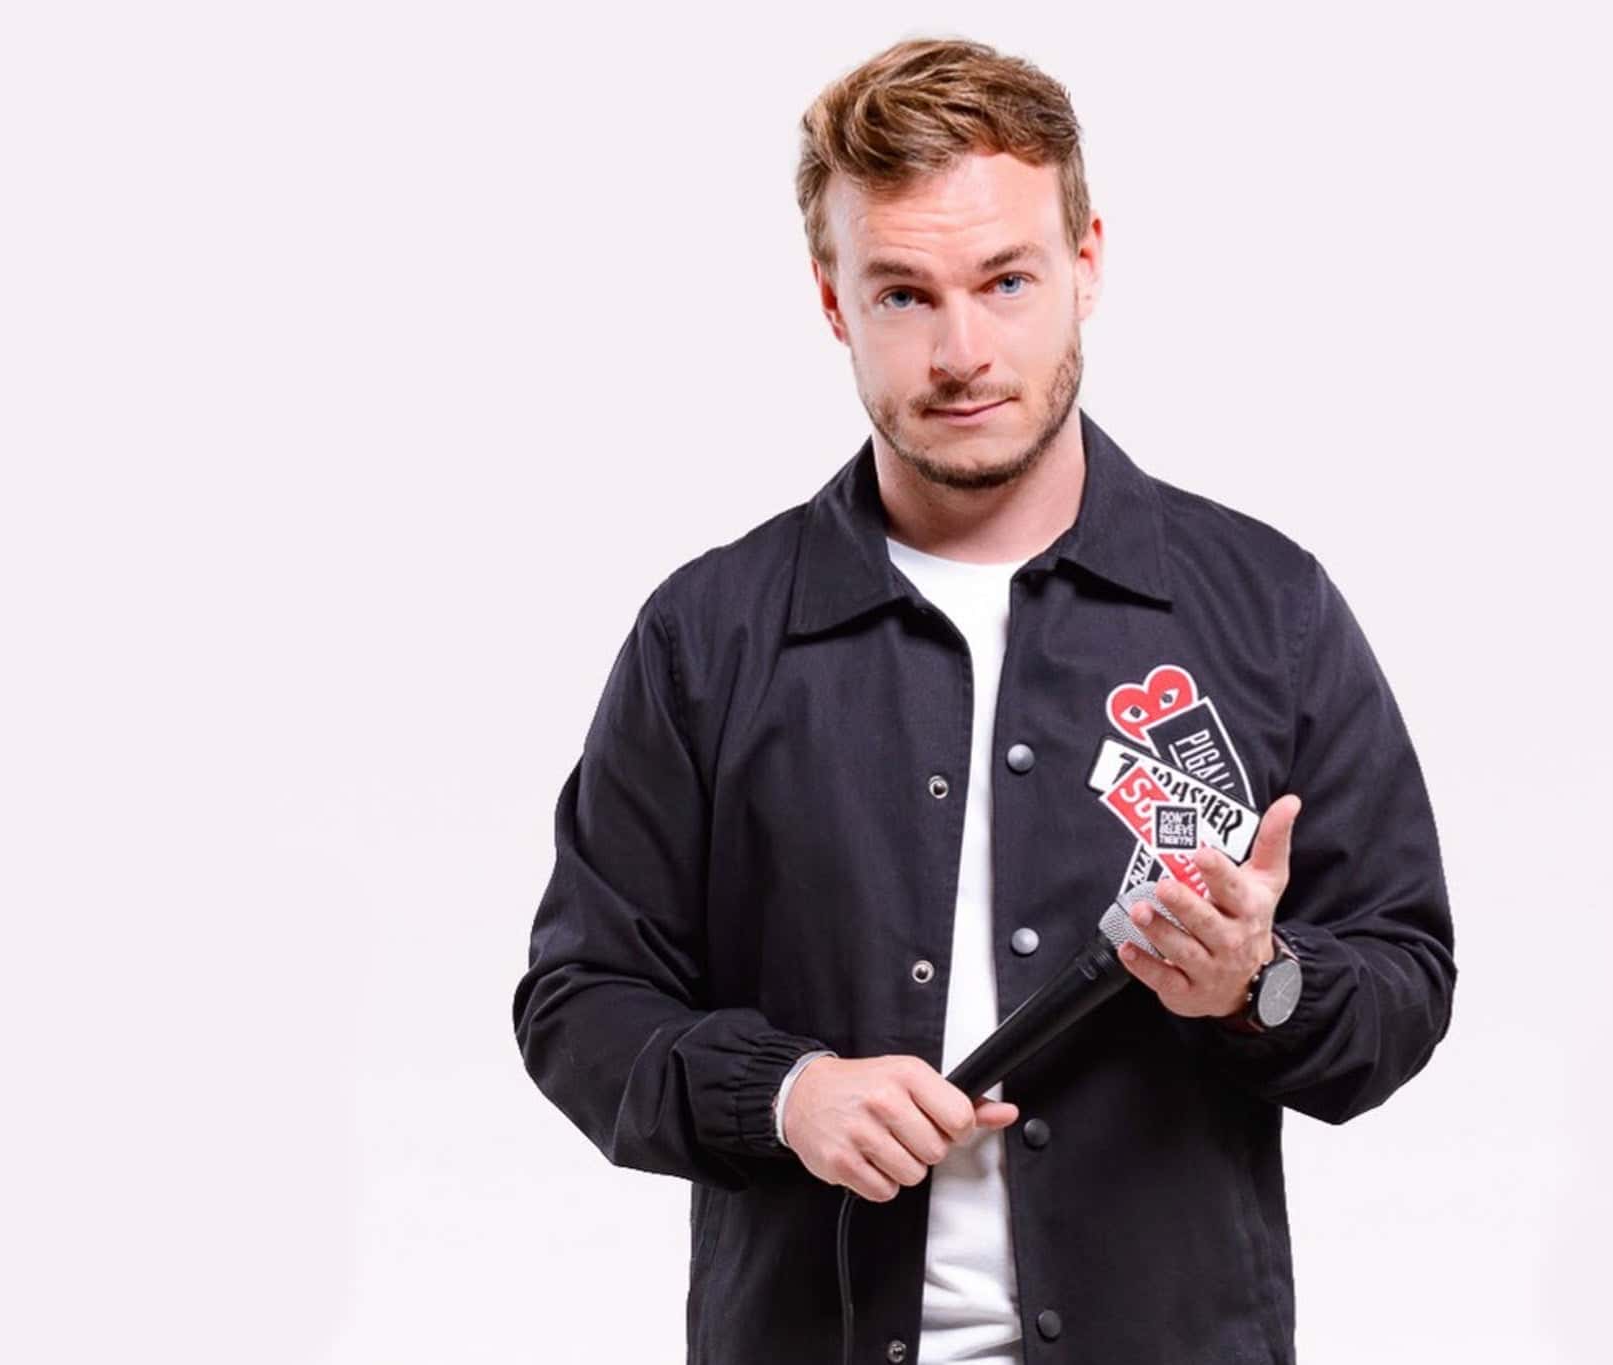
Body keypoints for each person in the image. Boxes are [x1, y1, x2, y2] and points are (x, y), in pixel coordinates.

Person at [512, 35, 1456, 1365]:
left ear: (1086, 265)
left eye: (1006, 281)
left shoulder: (1266, 608)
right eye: (904, 294)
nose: (962, 352)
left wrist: (1259, 984)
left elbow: (1405, 984)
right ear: (834, 303)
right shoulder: (708, 634)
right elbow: (579, 1001)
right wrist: (784, 1094)